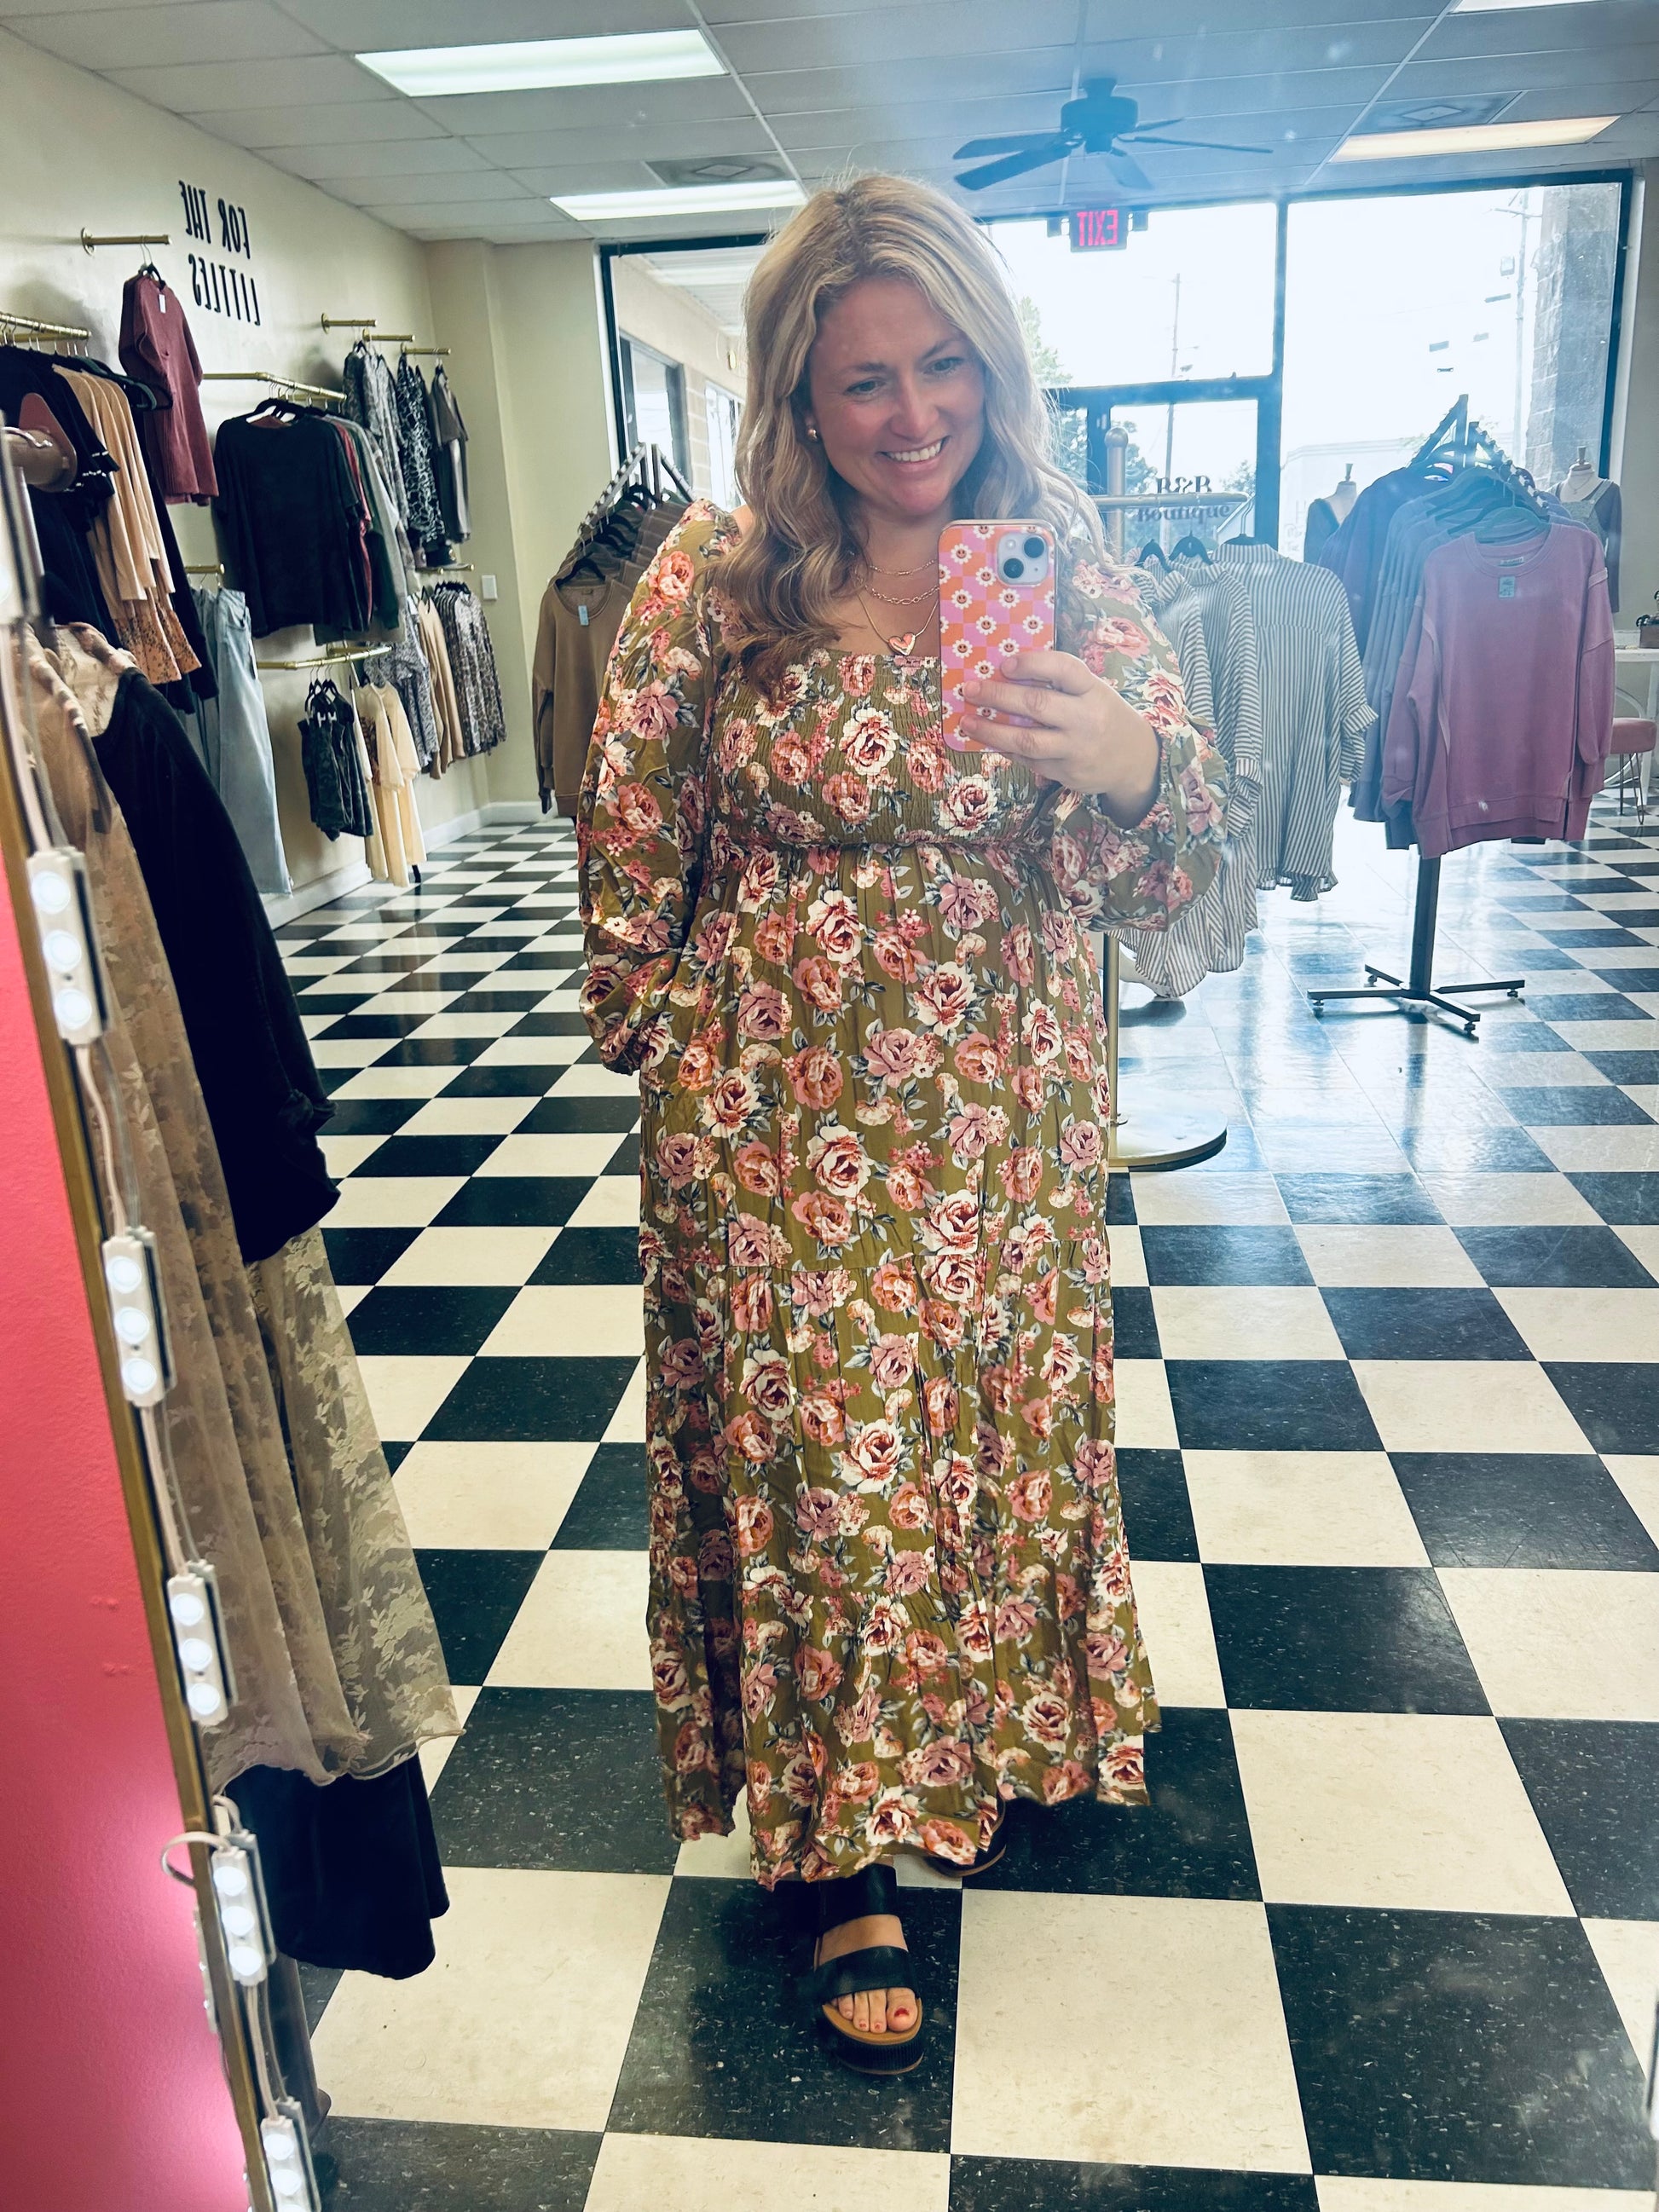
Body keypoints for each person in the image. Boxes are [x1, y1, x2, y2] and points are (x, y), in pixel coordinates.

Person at [578, 173, 1227, 2075]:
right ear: (797, 391)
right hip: (778, 1118)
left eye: (945, 365)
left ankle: (958, 1741)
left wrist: (1131, 763)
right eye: (863, 379)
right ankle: (841, 1850)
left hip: (1003, 1116)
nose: (913, 413)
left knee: (973, 1442)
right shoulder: (716, 577)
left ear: (995, 364)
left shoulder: (1063, 564)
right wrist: (668, 1050)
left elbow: (1171, 868)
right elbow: (632, 827)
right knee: (826, 1474)